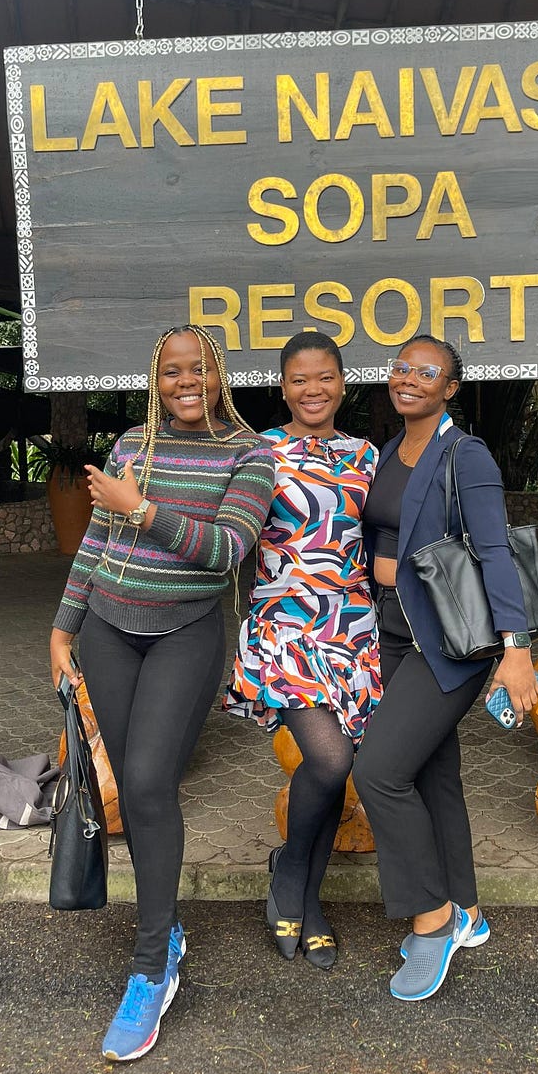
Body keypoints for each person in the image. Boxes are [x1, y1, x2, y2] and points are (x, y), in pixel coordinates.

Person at [48, 325, 275, 1061]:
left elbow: (225, 550)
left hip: (186, 631)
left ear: (218, 375)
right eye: (172, 370)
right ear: (156, 375)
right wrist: (63, 627)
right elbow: (95, 543)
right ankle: (163, 927)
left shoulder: (249, 454)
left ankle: (150, 969)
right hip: (109, 628)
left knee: (149, 780)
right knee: (134, 792)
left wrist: (141, 507)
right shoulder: (129, 446)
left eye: (198, 369)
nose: (185, 381)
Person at [353, 334, 538, 1002]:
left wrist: (516, 649)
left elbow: (494, 552)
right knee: (434, 776)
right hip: (397, 637)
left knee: (377, 771)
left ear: (449, 388)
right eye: (402, 366)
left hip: (450, 645)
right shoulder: (386, 453)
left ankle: (432, 917)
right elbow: (382, 534)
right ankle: (470, 910)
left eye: (426, 371)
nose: (409, 378)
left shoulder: (468, 455)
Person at [223, 330, 381, 970]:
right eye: (298, 380)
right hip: (284, 628)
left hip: (353, 630)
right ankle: (291, 877)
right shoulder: (258, 452)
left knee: (336, 768)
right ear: (281, 386)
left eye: (324, 378)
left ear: (342, 384)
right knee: (329, 756)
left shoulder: (368, 456)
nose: (312, 390)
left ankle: (303, 896)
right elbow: (223, 532)